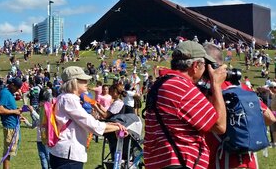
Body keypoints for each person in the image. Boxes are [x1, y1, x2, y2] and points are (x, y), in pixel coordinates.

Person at [144, 40, 227, 169]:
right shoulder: (182, 87)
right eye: (205, 65)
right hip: (180, 162)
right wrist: (216, 85)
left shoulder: (161, 84)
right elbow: (220, 126)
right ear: (195, 66)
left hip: (161, 161)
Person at [204, 43, 276, 169]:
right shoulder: (241, 87)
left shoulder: (206, 91)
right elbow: (270, 118)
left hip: (220, 160)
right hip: (248, 160)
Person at [49, 66, 127, 169]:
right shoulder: (69, 99)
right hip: (68, 155)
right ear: (74, 82)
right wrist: (118, 127)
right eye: (83, 80)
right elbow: (92, 125)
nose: (87, 82)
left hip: (63, 152)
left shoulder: (64, 97)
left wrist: (113, 124)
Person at [0, 78, 23, 169]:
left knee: (10, 152)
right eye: (17, 88)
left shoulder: (10, 93)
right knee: (8, 152)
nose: (17, 90)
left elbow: (9, 108)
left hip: (14, 125)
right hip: (9, 126)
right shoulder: (4, 93)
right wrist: (14, 112)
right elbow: (0, 110)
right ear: (12, 84)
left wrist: (17, 113)